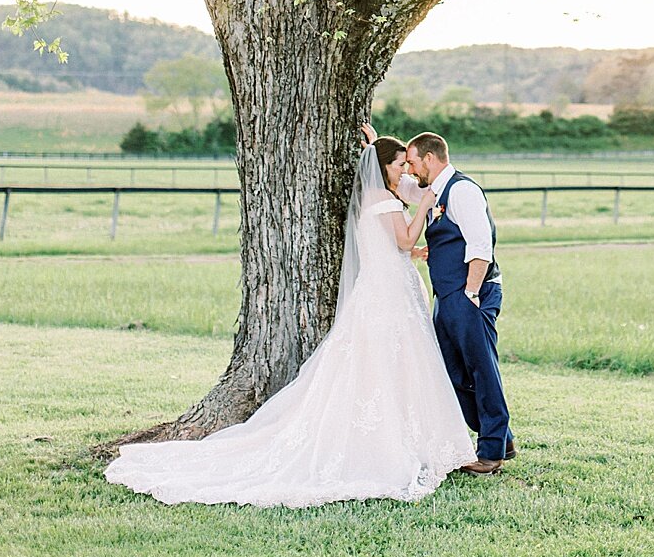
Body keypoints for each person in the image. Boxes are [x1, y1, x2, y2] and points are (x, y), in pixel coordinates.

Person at [103, 137, 477, 506]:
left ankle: (403, 438)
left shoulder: (373, 199)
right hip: (389, 296)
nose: (406, 171)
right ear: (383, 169)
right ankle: (398, 444)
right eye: (399, 165)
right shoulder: (384, 201)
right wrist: (426, 204)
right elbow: (402, 238)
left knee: (384, 365)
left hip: (383, 290)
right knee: (395, 364)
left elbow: (391, 245)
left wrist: (380, 151)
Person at [364, 124, 514, 475]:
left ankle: (491, 452)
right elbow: (394, 181)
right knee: (454, 372)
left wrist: (472, 293)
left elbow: (481, 246)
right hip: (447, 295)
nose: (410, 170)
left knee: (481, 368)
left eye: (414, 163)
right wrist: (375, 148)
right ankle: (500, 437)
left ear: (430, 159)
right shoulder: (431, 190)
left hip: (470, 293)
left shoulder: (462, 191)